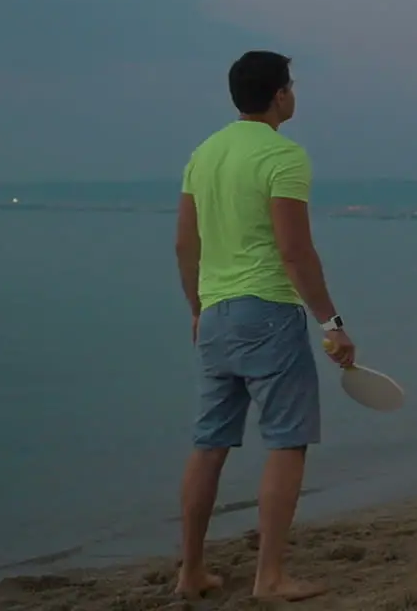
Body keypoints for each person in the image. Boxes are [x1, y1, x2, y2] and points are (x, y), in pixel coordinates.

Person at [173, 50, 355, 601]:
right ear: (279, 95)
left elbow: (186, 244)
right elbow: (295, 251)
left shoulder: (203, 154)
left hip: (217, 312)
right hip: (268, 311)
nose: (293, 94)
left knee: (209, 444)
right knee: (288, 440)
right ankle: (270, 576)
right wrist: (333, 322)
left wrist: (198, 309)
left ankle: (190, 572)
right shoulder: (284, 156)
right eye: (291, 86)